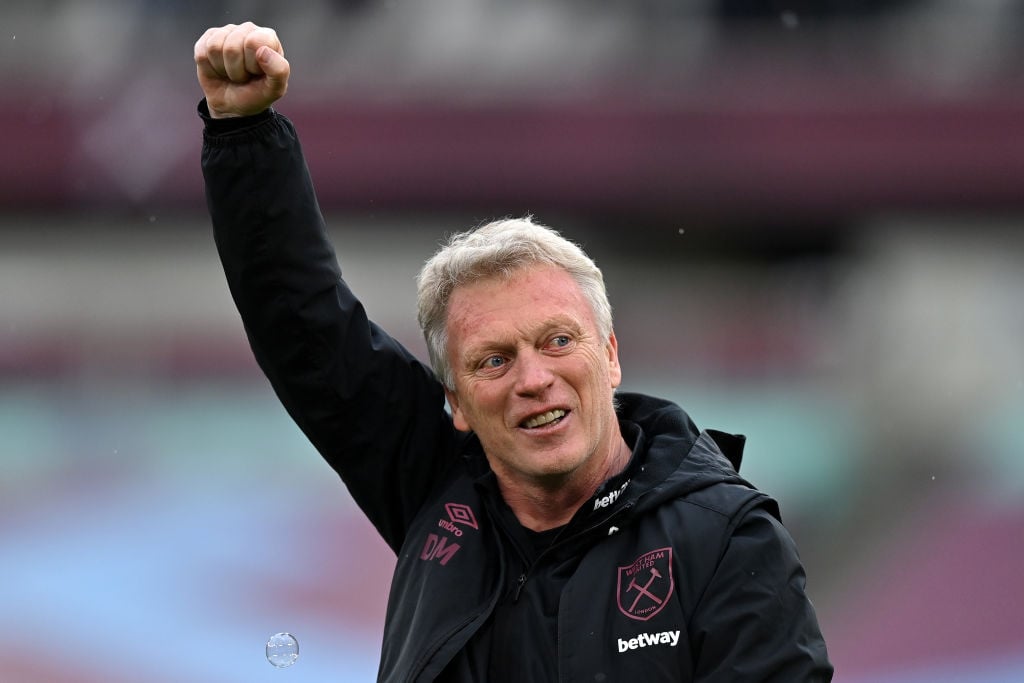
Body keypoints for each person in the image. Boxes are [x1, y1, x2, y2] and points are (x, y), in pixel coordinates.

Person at [194, 22, 833, 682]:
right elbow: (302, 327)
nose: (534, 378)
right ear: (457, 401)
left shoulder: (727, 538)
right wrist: (245, 134)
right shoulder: (434, 487)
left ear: (610, 355)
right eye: (493, 360)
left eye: (557, 341)